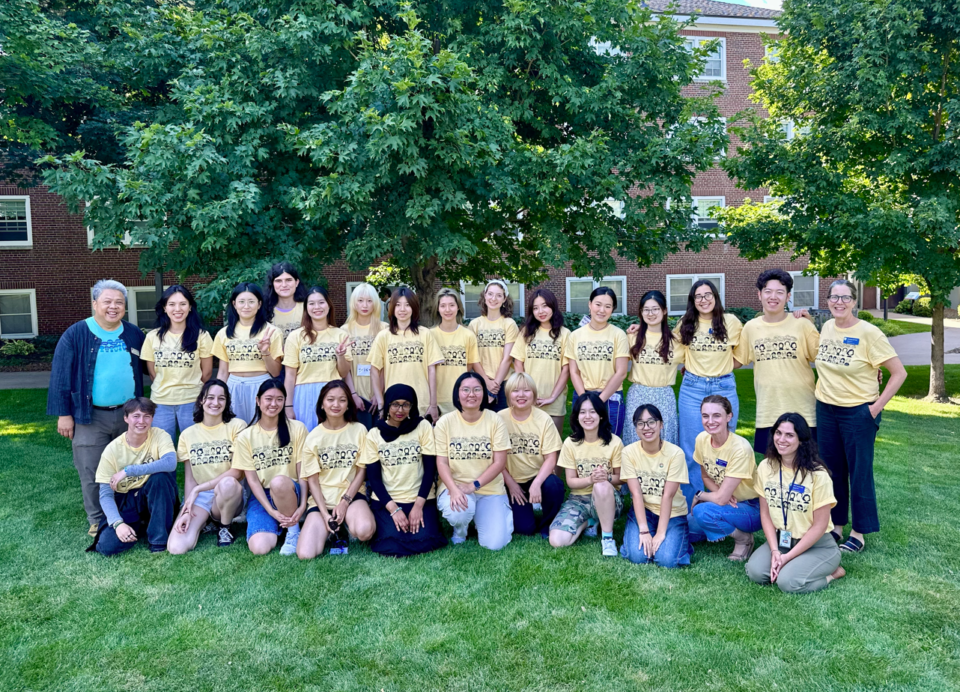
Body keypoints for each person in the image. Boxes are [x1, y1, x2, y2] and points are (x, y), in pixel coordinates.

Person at [48, 279, 148, 537]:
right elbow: (60, 376)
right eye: (107, 301)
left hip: (129, 416)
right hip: (90, 416)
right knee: (92, 469)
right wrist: (64, 414)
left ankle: (128, 512)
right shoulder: (76, 334)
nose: (113, 307)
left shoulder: (133, 333)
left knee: (129, 466)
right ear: (95, 304)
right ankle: (97, 518)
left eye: (119, 303)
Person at [815, 279, 907, 553]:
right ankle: (837, 525)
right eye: (834, 297)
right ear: (828, 300)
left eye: (845, 298)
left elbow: (899, 373)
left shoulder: (870, 333)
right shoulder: (828, 327)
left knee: (859, 472)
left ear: (854, 301)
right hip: (827, 410)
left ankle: (859, 532)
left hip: (858, 412)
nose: (839, 302)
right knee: (832, 472)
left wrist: (874, 408)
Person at [746, 413, 846, 594]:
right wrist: (775, 551)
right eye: (778, 433)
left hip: (817, 544)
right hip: (781, 540)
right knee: (755, 573)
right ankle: (788, 561)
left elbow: (820, 525)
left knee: (787, 583)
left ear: (802, 440)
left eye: (789, 435)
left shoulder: (818, 475)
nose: (781, 439)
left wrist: (787, 558)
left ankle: (833, 573)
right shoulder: (765, 467)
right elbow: (765, 514)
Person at [734, 269, 820, 453]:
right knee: (772, 474)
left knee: (807, 471)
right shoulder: (751, 328)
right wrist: (695, 365)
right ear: (759, 294)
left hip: (804, 411)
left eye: (780, 292)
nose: (773, 297)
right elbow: (736, 361)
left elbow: (825, 359)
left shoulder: (803, 325)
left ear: (788, 296)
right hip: (768, 412)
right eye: (768, 291)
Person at [675, 279, 743, 505]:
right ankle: (693, 503)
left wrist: (719, 370)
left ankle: (727, 499)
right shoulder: (685, 323)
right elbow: (670, 347)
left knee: (726, 445)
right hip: (692, 389)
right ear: (693, 301)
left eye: (708, 295)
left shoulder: (730, 322)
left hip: (723, 387)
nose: (703, 300)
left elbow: (742, 355)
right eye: (698, 296)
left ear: (715, 296)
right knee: (691, 447)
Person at [363, 384, 448, 557]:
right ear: (387, 405)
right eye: (395, 404)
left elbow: (430, 470)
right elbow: (374, 479)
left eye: (405, 404)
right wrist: (394, 510)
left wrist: (418, 506)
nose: (400, 410)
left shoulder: (422, 427)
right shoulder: (374, 434)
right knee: (391, 545)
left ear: (412, 406)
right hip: (388, 500)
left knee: (426, 541)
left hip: (420, 497)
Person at [90, 397, 179, 556]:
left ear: (152, 418)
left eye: (147, 416)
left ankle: (158, 542)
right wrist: (118, 524)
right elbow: (105, 495)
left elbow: (171, 463)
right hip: (125, 500)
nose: (142, 421)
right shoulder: (112, 449)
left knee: (160, 478)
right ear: (126, 418)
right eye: (136, 416)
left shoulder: (160, 435)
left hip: (152, 494)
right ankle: (139, 525)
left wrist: (129, 471)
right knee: (107, 547)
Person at [435, 372, 514, 550]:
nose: (472, 394)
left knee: (495, 544)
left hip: (489, 488)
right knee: (460, 513)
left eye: (477, 389)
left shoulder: (495, 420)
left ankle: (482, 517)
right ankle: (460, 530)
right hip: (455, 486)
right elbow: (442, 463)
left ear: (484, 393)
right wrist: (454, 490)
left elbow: (499, 462)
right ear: (457, 394)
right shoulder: (445, 422)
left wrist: (474, 485)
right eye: (466, 390)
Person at [297, 381, 375, 559]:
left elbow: (361, 471)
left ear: (348, 404)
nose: (336, 405)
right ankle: (333, 530)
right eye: (330, 399)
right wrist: (325, 515)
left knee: (364, 531)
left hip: (351, 496)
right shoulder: (313, 437)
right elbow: (313, 481)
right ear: (322, 404)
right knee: (305, 554)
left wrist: (345, 502)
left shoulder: (359, 430)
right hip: (321, 500)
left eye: (342, 400)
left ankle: (346, 526)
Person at [167, 379, 247, 553]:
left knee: (227, 484)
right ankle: (206, 521)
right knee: (176, 547)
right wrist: (187, 508)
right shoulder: (188, 434)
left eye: (221, 398)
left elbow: (237, 471)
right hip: (201, 496)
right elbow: (189, 478)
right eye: (210, 397)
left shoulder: (237, 426)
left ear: (227, 403)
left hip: (228, 494)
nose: (215, 403)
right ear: (201, 400)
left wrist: (199, 489)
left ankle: (224, 527)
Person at [232, 378, 309, 556]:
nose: (273, 404)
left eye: (279, 399)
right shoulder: (246, 436)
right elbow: (252, 480)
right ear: (258, 401)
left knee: (279, 482)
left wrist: (303, 504)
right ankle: (279, 522)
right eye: (268, 399)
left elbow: (302, 471)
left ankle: (293, 531)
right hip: (263, 495)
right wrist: (271, 511)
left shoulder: (297, 429)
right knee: (259, 548)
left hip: (291, 490)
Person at [687, 395, 761, 561]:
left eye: (717, 415)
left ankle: (744, 539)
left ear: (729, 416)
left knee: (702, 511)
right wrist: (721, 495)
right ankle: (718, 526)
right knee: (687, 527)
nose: (710, 421)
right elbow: (705, 476)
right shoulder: (701, 439)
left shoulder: (740, 448)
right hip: (725, 501)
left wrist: (700, 496)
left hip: (752, 507)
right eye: (705, 416)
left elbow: (719, 499)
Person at [550, 392, 624, 557]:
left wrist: (606, 478)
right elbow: (570, 481)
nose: (588, 416)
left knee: (601, 485)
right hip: (579, 500)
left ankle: (607, 538)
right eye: (582, 412)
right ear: (577, 417)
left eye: (592, 411)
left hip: (608, 499)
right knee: (557, 540)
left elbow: (622, 479)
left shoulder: (615, 442)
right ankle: (589, 521)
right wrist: (590, 479)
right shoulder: (570, 443)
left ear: (601, 415)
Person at [619, 405, 691, 568]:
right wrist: (643, 530)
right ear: (636, 427)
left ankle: (681, 541)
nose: (646, 428)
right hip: (644, 511)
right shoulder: (629, 452)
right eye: (641, 423)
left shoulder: (675, 453)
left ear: (661, 424)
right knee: (637, 557)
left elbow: (668, 496)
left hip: (672, 513)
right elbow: (636, 494)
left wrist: (660, 534)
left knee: (666, 560)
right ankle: (641, 537)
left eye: (651, 422)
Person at [141, 285, 213, 440]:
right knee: (162, 450)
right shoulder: (152, 337)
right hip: (160, 403)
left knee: (194, 449)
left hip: (192, 401)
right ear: (164, 308)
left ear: (190, 307)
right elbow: (153, 373)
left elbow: (206, 372)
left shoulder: (202, 336)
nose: (177, 309)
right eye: (172, 304)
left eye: (183, 304)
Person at [499, 373, 565, 537]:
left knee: (554, 485)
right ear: (508, 395)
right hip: (511, 480)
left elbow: (551, 458)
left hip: (538, 478)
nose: (521, 395)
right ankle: (524, 512)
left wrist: (536, 483)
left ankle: (547, 524)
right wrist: (511, 484)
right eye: (515, 391)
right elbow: (495, 460)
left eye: (526, 390)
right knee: (525, 528)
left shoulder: (544, 419)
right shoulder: (499, 419)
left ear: (534, 394)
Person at [282, 286, 354, 431]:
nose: (317, 307)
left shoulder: (340, 335)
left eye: (321, 302)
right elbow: (290, 375)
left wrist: (340, 355)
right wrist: (288, 406)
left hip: (333, 395)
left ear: (328, 304)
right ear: (306, 307)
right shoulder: (296, 336)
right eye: (312, 303)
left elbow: (344, 373)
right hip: (303, 394)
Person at [369, 288, 443, 422]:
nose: (402, 309)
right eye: (398, 305)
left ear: (414, 307)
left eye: (407, 304)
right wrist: (381, 402)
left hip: (422, 404)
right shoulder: (383, 336)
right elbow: (374, 370)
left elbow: (431, 370)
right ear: (391, 308)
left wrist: (433, 404)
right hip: (393, 406)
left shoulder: (425, 334)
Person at [213, 282, 283, 424]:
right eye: (242, 302)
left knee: (261, 427)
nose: (246, 306)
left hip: (261, 384)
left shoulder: (271, 332)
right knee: (233, 428)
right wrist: (218, 393)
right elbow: (222, 371)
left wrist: (265, 353)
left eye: (251, 301)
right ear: (234, 304)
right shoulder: (224, 333)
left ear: (259, 304)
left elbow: (276, 372)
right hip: (233, 385)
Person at [565, 287, 630, 437]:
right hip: (582, 395)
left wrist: (598, 401)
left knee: (611, 443)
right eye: (598, 304)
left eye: (608, 306)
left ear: (612, 309)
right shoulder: (575, 336)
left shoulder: (618, 335)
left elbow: (621, 373)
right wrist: (585, 400)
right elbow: (573, 371)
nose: (602, 310)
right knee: (583, 442)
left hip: (611, 398)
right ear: (590, 304)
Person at [623, 290, 682, 446]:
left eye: (655, 309)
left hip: (664, 396)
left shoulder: (677, 341)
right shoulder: (631, 337)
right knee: (635, 439)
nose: (651, 313)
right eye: (646, 309)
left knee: (664, 439)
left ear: (664, 310)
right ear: (641, 312)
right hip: (638, 394)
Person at [512, 288, 571, 433]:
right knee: (529, 447)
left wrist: (552, 397)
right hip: (528, 399)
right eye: (536, 308)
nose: (541, 311)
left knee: (553, 447)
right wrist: (527, 393)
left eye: (545, 305)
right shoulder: (526, 333)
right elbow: (518, 363)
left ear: (553, 306)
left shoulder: (565, 334)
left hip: (555, 401)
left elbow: (566, 369)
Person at [341, 282, 388, 430]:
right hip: (355, 395)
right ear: (354, 303)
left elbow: (387, 365)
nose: (365, 305)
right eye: (360, 301)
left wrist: (378, 393)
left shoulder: (384, 329)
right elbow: (345, 368)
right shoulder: (344, 330)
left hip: (380, 395)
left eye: (369, 301)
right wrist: (353, 395)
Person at [468, 280, 520, 411]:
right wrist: (486, 382)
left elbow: (508, 358)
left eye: (498, 295)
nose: (493, 298)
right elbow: (473, 358)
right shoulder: (474, 325)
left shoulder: (509, 324)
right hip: (480, 382)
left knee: (503, 425)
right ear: (484, 296)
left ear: (504, 299)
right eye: (490, 294)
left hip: (504, 382)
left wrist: (495, 385)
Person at [431, 288, 481, 416]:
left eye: (452, 305)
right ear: (437, 308)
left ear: (458, 307)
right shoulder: (429, 335)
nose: (447, 310)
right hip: (436, 400)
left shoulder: (468, 335)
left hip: (461, 398)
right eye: (443, 306)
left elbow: (469, 365)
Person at [263, 261, 308, 341]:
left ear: (296, 282)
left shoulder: (308, 308)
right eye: (278, 281)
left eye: (288, 280)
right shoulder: (263, 310)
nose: (284, 285)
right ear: (272, 284)